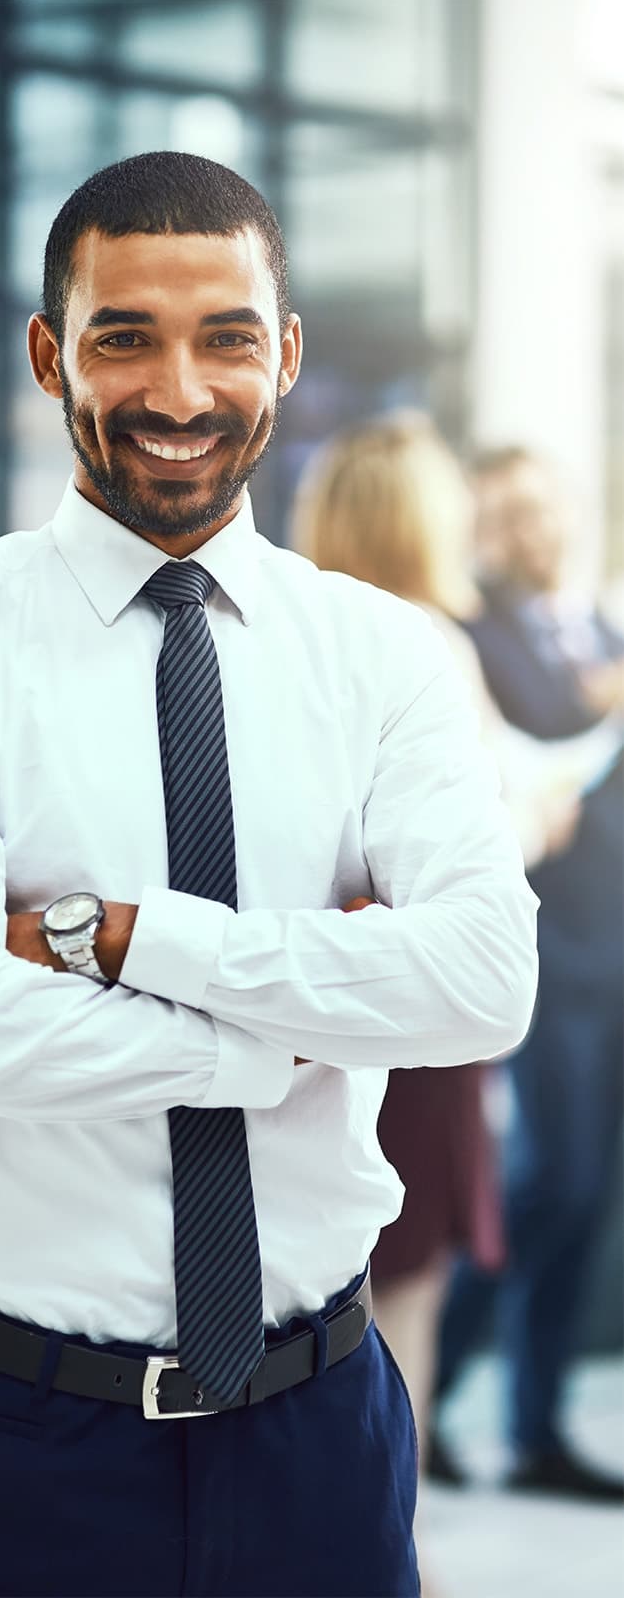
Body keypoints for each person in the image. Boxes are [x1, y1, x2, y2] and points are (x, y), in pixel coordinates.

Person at [0, 153, 538, 1598]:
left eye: (224, 335)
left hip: (316, 1434)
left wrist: (130, 937)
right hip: (9, 1443)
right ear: (48, 354)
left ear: (282, 352)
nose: (177, 391)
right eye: (122, 335)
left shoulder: (383, 658)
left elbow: (476, 983)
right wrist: (304, 1016)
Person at [288, 413, 589, 1540]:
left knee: (324, 1298)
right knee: (399, 1300)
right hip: (407, 1008)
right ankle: (384, 1547)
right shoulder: (425, 643)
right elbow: (466, 855)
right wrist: (537, 817)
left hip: (312, 1003)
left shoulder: (291, 639)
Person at [431, 446, 624, 1503]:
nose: (527, 530)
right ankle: (427, 1382)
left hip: (619, 950)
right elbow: (535, 754)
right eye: (505, 515)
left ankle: (536, 1428)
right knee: (552, 1180)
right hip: (554, 959)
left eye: (540, 506)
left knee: (583, 1200)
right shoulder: (471, 640)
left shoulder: (601, 629)